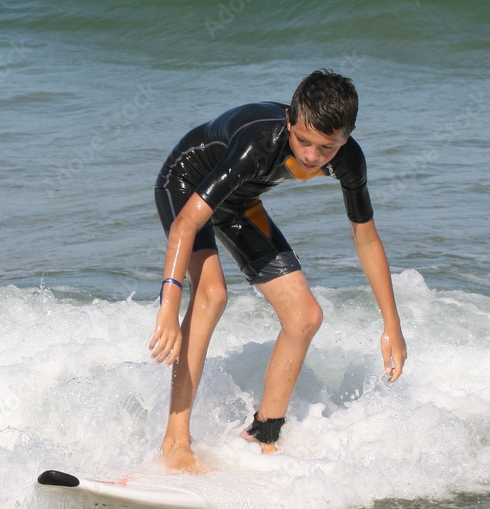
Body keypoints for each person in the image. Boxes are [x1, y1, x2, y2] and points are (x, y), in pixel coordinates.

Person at [148, 69, 407, 474]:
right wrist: (168, 304)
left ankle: (262, 435)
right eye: (303, 141)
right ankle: (175, 442)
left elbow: (367, 240)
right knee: (212, 294)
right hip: (186, 184)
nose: (311, 156)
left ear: (347, 136)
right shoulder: (256, 144)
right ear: (289, 120)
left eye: (326, 147)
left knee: (305, 316)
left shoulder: (350, 161)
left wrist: (392, 323)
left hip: (239, 202)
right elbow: (185, 225)